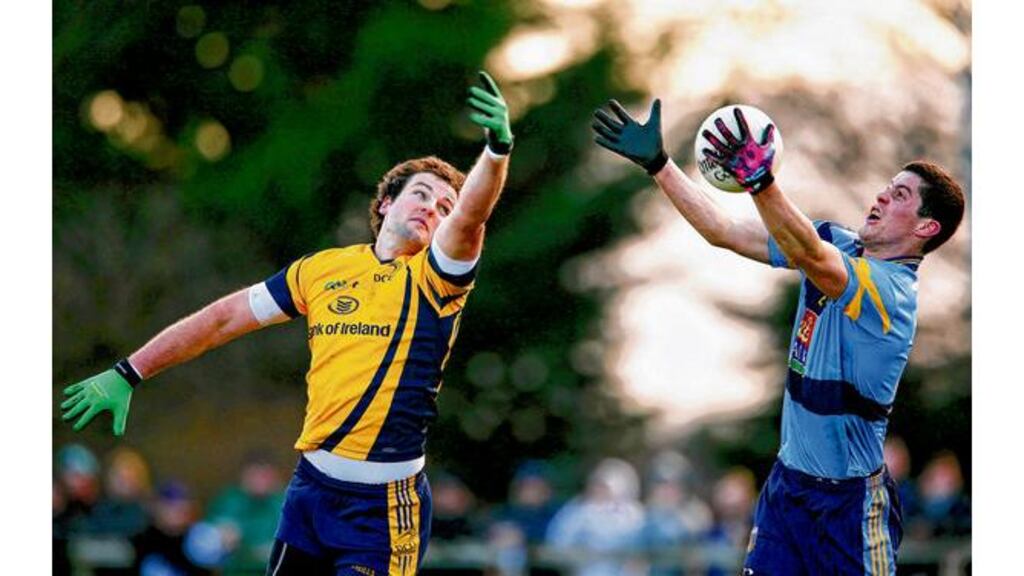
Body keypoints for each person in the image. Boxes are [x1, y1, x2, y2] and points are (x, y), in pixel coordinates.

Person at [60, 70, 515, 575]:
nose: (433, 209)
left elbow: (472, 218)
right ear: (387, 202)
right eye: (422, 194)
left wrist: (496, 152)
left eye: (443, 207)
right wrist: (129, 371)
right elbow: (222, 319)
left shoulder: (437, 279)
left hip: (383, 509)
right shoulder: (320, 270)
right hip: (311, 493)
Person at [592, 99, 964, 575]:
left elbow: (812, 255)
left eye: (901, 196)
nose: (882, 197)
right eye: (887, 188)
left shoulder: (892, 295)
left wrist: (761, 181)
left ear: (925, 228)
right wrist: (660, 165)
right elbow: (723, 230)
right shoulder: (840, 243)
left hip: (849, 507)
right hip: (788, 492)